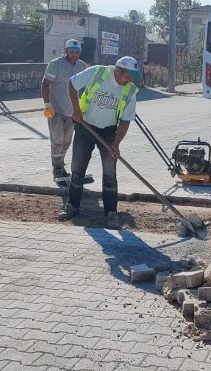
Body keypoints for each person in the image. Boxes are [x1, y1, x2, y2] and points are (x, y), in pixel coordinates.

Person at [65, 56, 142, 229]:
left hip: (108, 132)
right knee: (77, 168)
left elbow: (125, 121)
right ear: (118, 70)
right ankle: (72, 206)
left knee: (109, 172)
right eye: (127, 76)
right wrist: (76, 110)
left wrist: (116, 144)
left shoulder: (130, 91)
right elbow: (71, 84)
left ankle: (111, 213)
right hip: (85, 127)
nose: (129, 80)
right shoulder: (97, 72)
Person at [42, 38, 92, 185]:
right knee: (57, 140)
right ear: (65, 51)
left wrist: (83, 108)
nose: (74, 55)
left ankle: (61, 165)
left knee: (67, 140)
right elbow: (45, 84)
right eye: (71, 52)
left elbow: (84, 88)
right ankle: (57, 168)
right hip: (55, 109)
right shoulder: (55, 64)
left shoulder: (82, 66)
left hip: (72, 111)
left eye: (77, 52)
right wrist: (47, 105)